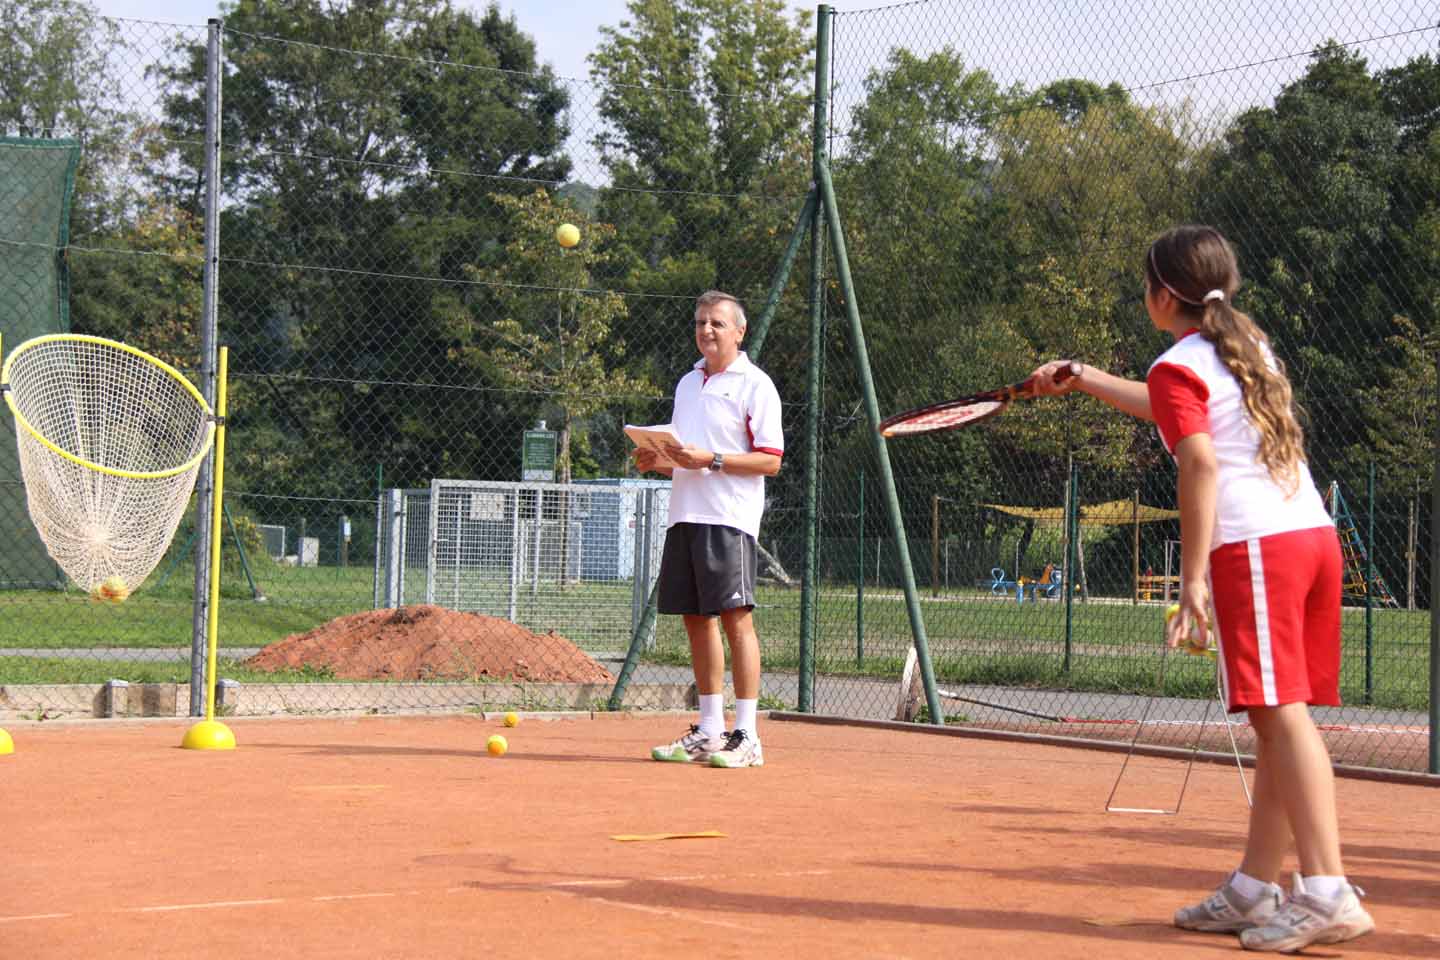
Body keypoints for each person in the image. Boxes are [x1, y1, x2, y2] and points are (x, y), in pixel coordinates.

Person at [1030, 225, 1373, 952]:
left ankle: (1328, 891)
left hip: (1256, 547)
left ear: (1161, 295)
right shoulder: (1246, 347)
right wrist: (1083, 377)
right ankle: (1254, 887)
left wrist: (1191, 582)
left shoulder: (1179, 364)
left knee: (1283, 719)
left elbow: (1201, 462)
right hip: (1311, 538)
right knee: (1276, 720)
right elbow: (1174, 406)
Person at [634, 290, 783, 769]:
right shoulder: (687, 383)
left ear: (739, 331)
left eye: (717, 323)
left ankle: (748, 735)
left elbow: (770, 460)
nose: (706, 331)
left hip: (729, 519)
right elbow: (686, 457)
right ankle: (710, 730)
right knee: (696, 620)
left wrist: (712, 459)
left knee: (736, 619)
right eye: (701, 322)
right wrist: (657, 461)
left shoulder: (756, 385)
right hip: (685, 515)